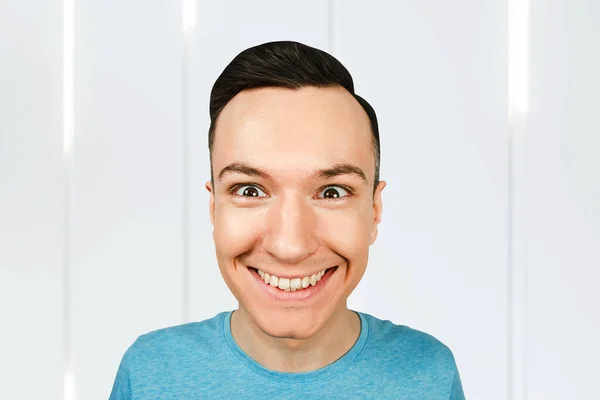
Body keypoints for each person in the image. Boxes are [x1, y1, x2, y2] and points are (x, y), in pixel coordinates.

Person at [109, 40, 465, 399]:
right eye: (249, 191)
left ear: (374, 211)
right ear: (214, 208)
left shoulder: (428, 373)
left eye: (332, 192)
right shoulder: (150, 372)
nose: (290, 246)